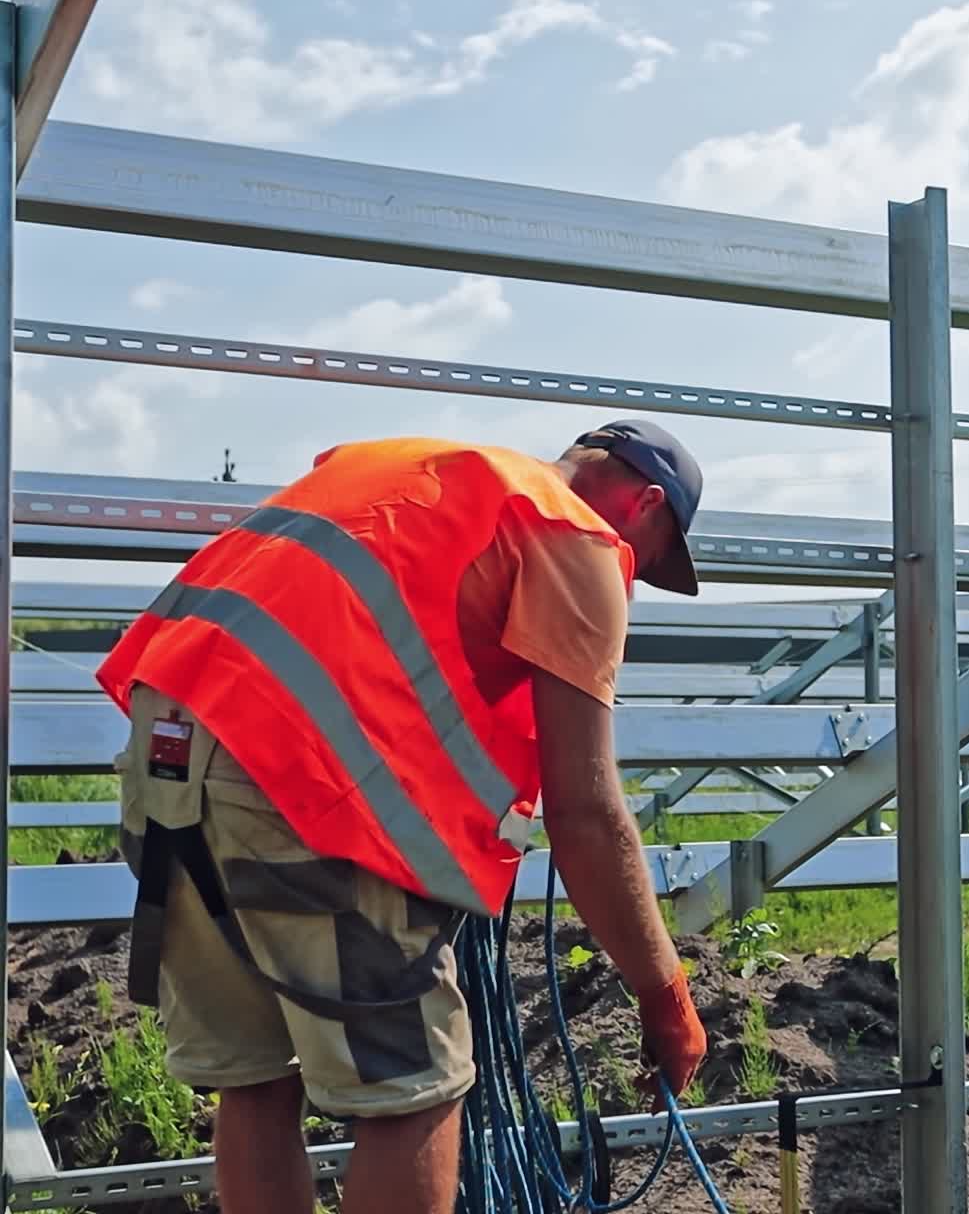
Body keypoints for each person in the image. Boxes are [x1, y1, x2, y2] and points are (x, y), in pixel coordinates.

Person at [95, 420, 710, 1214]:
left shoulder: (400, 467)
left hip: (167, 766)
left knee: (255, 1082)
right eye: (651, 558)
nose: (634, 578)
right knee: (417, 1093)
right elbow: (588, 812)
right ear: (646, 503)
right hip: (300, 792)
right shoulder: (571, 535)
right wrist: (665, 997)